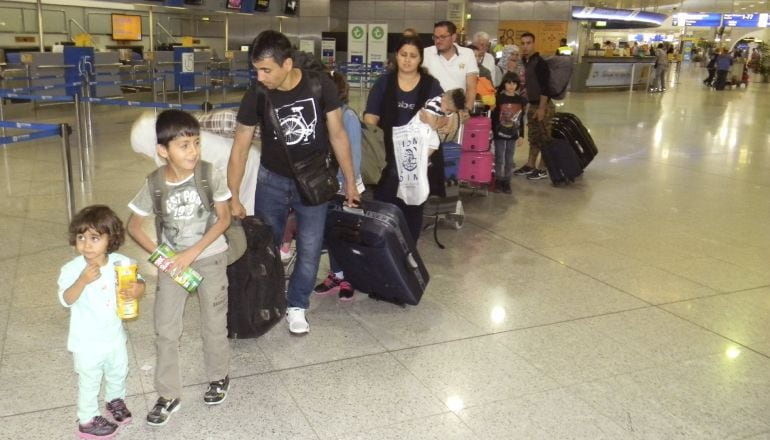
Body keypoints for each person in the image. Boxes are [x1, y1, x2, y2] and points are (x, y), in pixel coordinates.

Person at [227, 30, 359, 334]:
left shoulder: (319, 85)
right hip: (271, 179)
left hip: (312, 180)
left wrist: (350, 181)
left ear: (287, 64)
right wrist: (233, 195)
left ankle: (297, 305)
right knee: (266, 245)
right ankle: (269, 297)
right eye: (256, 70)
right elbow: (240, 147)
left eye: (266, 70)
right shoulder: (257, 94)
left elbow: (338, 135)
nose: (260, 77)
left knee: (310, 248)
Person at [127, 109, 232, 426]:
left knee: (214, 324)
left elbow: (224, 218)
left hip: (211, 258)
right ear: (163, 151)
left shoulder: (209, 174)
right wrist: (165, 258)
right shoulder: (155, 184)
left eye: (196, 143)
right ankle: (168, 394)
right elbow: (134, 226)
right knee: (166, 331)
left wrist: (193, 251)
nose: (193, 151)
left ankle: (218, 376)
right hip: (172, 268)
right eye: (184, 145)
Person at [59, 205, 145, 439]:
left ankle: (114, 401)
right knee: (89, 380)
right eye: (81, 237)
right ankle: (86, 419)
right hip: (86, 343)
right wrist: (82, 281)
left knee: (118, 371)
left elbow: (139, 282)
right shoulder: (72, 269)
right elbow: (66, 299)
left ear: (111, 239)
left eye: (95, 238)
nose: (86, 245)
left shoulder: (121, 262)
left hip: (114, 336)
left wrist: (137, 290)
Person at [364, 35, 443, 241]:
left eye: (413, 56)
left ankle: (408, 254)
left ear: (420, 59)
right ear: (396, 56)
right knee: (385, 208)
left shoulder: (431, 85)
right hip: (387, 157)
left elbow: (447, 119)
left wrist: (435, 122)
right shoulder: (384, 82)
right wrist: (369, 144)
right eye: (403, 55)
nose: (407, 60)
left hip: (417, 160)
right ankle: (385, 253)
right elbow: (371, 115)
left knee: (412, 209)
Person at [314, 71, 364, 301]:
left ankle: (350, 277)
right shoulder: (323, 116)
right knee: (333, 234)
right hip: (328, 185)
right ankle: (336, 274)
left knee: (346, 235)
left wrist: (348, 186)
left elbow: (352, 155)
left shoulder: (348, 116)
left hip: (346, 186)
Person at [513, 32, 552, 181]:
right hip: (531, 105)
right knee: (534, 137)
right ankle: (530, 164)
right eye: (522, 43)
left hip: (543, 105)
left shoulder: (540, 63)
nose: (525, 46)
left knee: (544, 137)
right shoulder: (525, 61)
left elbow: (545, 88)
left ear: (534, 44)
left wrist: (542, 109)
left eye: (528, 43)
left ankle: (543, 167)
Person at [422, 20, 478, 114]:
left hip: (457, 111)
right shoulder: (425, 53)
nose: (438, 41)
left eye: (443, 37)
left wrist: (467, 110)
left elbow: (471, 87)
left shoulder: (468, 54)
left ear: (453, 37)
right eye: (435, 37)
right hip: (430, 110)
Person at [491, 72, 526, 194]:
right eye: (508, 83)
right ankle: (498, 181)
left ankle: (507, 181)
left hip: (513, 133)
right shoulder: (498, 98)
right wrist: (492, 131)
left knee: (509, 158)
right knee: (499, 157)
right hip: (499, 133)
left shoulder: (520, 100)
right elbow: (494, 117)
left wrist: (521, 135)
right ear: (504, 84)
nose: (511, 86)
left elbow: (521, 118)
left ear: (517, 85)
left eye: (514, 83)